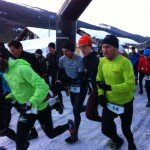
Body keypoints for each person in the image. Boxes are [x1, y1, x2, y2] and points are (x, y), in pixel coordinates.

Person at [0, 47, 75, 150]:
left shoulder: (21, 69)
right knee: (20, 140)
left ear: (4, 58)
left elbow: (43, 87)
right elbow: (19, 89)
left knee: (51, 134)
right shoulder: (6, 72)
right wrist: (9, 97)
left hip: (40, 107)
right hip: (27, 111)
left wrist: (31, 103)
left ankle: (69, 125)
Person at [96, 35, 136, 150]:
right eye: (103, 47)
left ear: (115, 48)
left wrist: (109, 87)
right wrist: (101, 94)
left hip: (125, 102)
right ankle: (117, 140)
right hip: (110, 101)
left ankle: (131, 143)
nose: (104, 50)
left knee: (126, 129)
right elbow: (99, 79)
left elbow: (130, 85)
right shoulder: (102, 61)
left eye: (107, 47)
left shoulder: (125, 62)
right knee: (105, 128)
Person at [8, 40, 44, 140]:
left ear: (20, 48)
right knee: (24, 110)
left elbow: (40, 71)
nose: (12, 52)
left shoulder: (30, 57)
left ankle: (54, 105)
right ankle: (32, 131)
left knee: (34, 110)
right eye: (10, 51)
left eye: (14, 50)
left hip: (31, 89)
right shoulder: (12, 59)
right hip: (20, 89)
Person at [56, 41, 87, 143]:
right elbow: (59, 71)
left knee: (75, 111)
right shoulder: (62, 59)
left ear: (72, 51)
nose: (64, 53)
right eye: (63, 51)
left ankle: (75, 135)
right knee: (76, 108)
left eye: (66, 51)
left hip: (81, 87)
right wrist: (58, 80)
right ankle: (89, 107)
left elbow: (81, 76)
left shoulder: (79, 60)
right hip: (72, 87)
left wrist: (74, 80)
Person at [78, 35, 102, 122]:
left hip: (104, 89)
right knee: (89, 114)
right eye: (80, 47)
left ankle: (107, 122)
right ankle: (104, 121)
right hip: (94, 89)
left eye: (84, 46)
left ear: (90, 46)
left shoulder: (98, 57)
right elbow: (88, 73)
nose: (82, 49)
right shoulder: (84, 59)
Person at [46, 42, 64, 107]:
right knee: (53, 87)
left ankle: (61, 103)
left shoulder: (58, 55)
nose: (49, 49)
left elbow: (61, 66)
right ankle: (57, 98)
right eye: (49, 48)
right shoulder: (48, 55)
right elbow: (47, 64)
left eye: (51, 48)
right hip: (52, 74)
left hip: (58, 74)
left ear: (54, 48)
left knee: (58, 88)